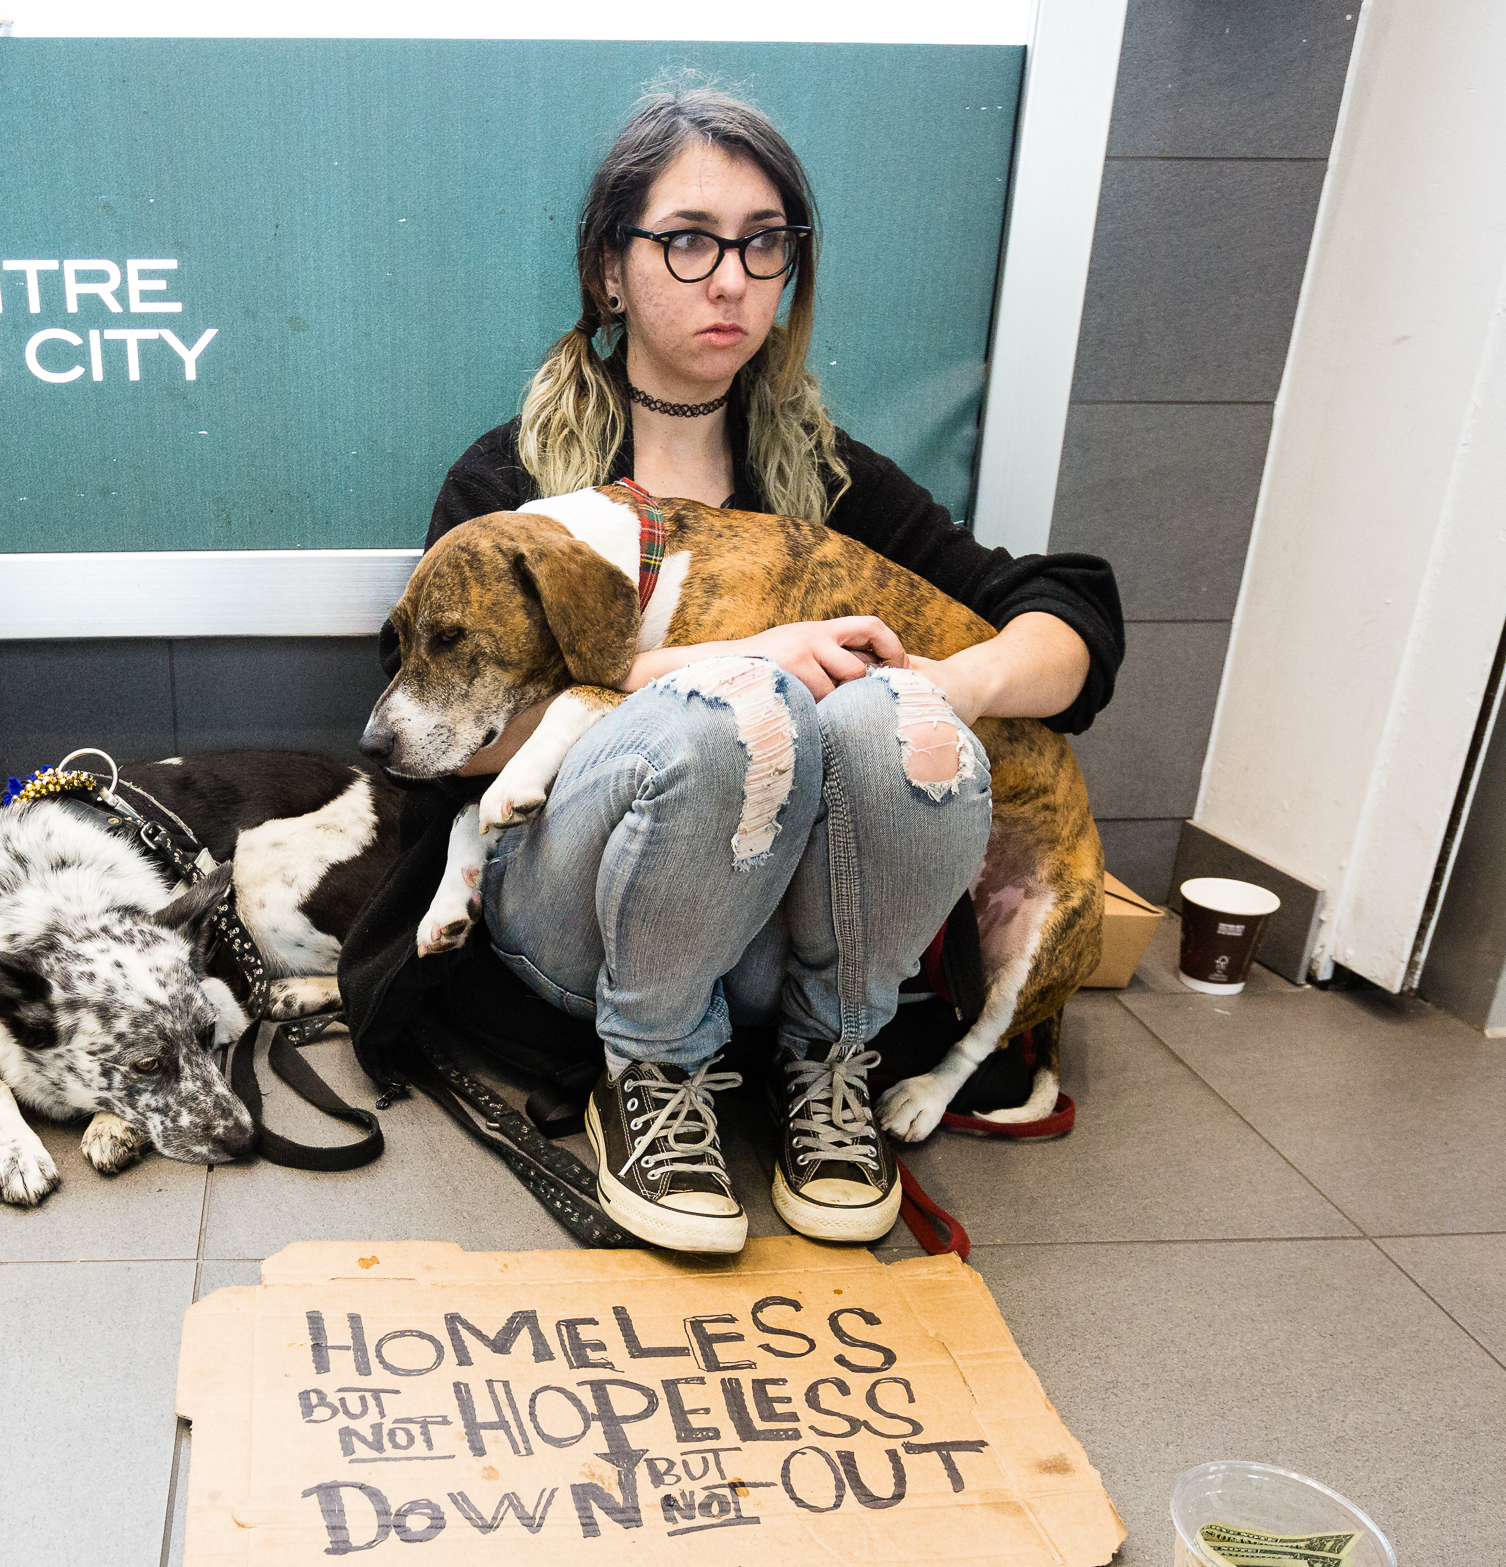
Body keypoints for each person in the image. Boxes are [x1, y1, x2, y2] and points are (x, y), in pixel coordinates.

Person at [420, 86, 1124, 1255]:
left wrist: (965, 686)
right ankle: (646, 1078)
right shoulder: (513, 485)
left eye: (764, 244)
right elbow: (452, 738)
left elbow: (1062, 616)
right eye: (687, 240)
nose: (731, 278)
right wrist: (739, 659)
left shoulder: (828, 482)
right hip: (575, 926)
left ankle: (826, 1062)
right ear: (609, 267)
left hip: (781, 944)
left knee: (901, 707)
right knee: (722, 714)